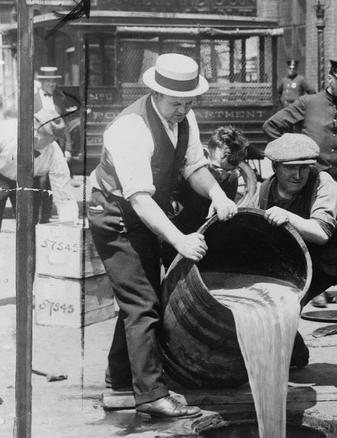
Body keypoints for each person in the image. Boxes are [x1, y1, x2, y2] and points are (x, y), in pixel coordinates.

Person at [87, 53, 237, 419]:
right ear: (155, 92)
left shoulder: (184, 117)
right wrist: (179, 240)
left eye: (189, 103)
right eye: (175, 103)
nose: (182, 110)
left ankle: (121, 382)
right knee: (142, 302)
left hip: (141, 210)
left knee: (144, 297)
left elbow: (193, 165)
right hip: (114, 212)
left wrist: (217, 193)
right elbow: (139, 200)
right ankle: (151, 395)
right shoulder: (130, 128)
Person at [246, 133, 337, 412]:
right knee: (277, 304)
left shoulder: (324, 183)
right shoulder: (264, 192)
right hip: (314, 262)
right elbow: (251, 228)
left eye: (304, 166)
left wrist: (288, 216)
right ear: (275, 167)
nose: (299, 174)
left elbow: (321, 232)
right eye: (290, 167)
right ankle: (297, 351)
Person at [264, 59, 337, 308]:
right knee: (310, 232)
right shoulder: (309, 103)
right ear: (329, 78)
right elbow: (272, 126)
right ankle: (313, 286)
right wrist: (292, 154)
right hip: (309, 183)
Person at [160, 125, 250, 267]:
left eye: (230, 171)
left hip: (203, 238)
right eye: (217, 169)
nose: (222, 176)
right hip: (176, 234)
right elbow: (168, 214)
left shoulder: (231, 178)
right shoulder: (182, 174)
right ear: (206, 155)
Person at [0, 108, 79, 236]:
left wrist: (70, 232)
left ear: (53, 139)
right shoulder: (6, 131)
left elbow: (64, 196)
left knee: (29, 231)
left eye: (41, 132)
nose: (34, 134)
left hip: (29, 182)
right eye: (33, 128)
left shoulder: (55, 155)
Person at [34, 66, 78, 223]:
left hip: (56, 145)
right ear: (42, 82)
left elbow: (64, 124)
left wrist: (68, 148)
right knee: (39, 181)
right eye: (48, 82)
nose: (52, 85)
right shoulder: (32, 99)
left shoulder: (59, 99)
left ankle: (45, 218)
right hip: (39, 145)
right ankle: (36, 218)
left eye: (54, 81)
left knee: (54, 182)